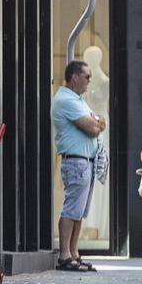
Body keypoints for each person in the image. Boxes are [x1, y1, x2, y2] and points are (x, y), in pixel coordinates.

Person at [52, 60, 106, 273]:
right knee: (72, 209)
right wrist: (97, 123)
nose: (89, 81)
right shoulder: (66, 99)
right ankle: (64, 255)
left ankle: (74, 253)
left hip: (85, 161)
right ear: (74, 77)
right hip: (76, 161)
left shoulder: (79, 100)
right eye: (87, 76)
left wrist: (97, 122)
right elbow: (94, 127)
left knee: (79, 211)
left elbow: (100, 121)